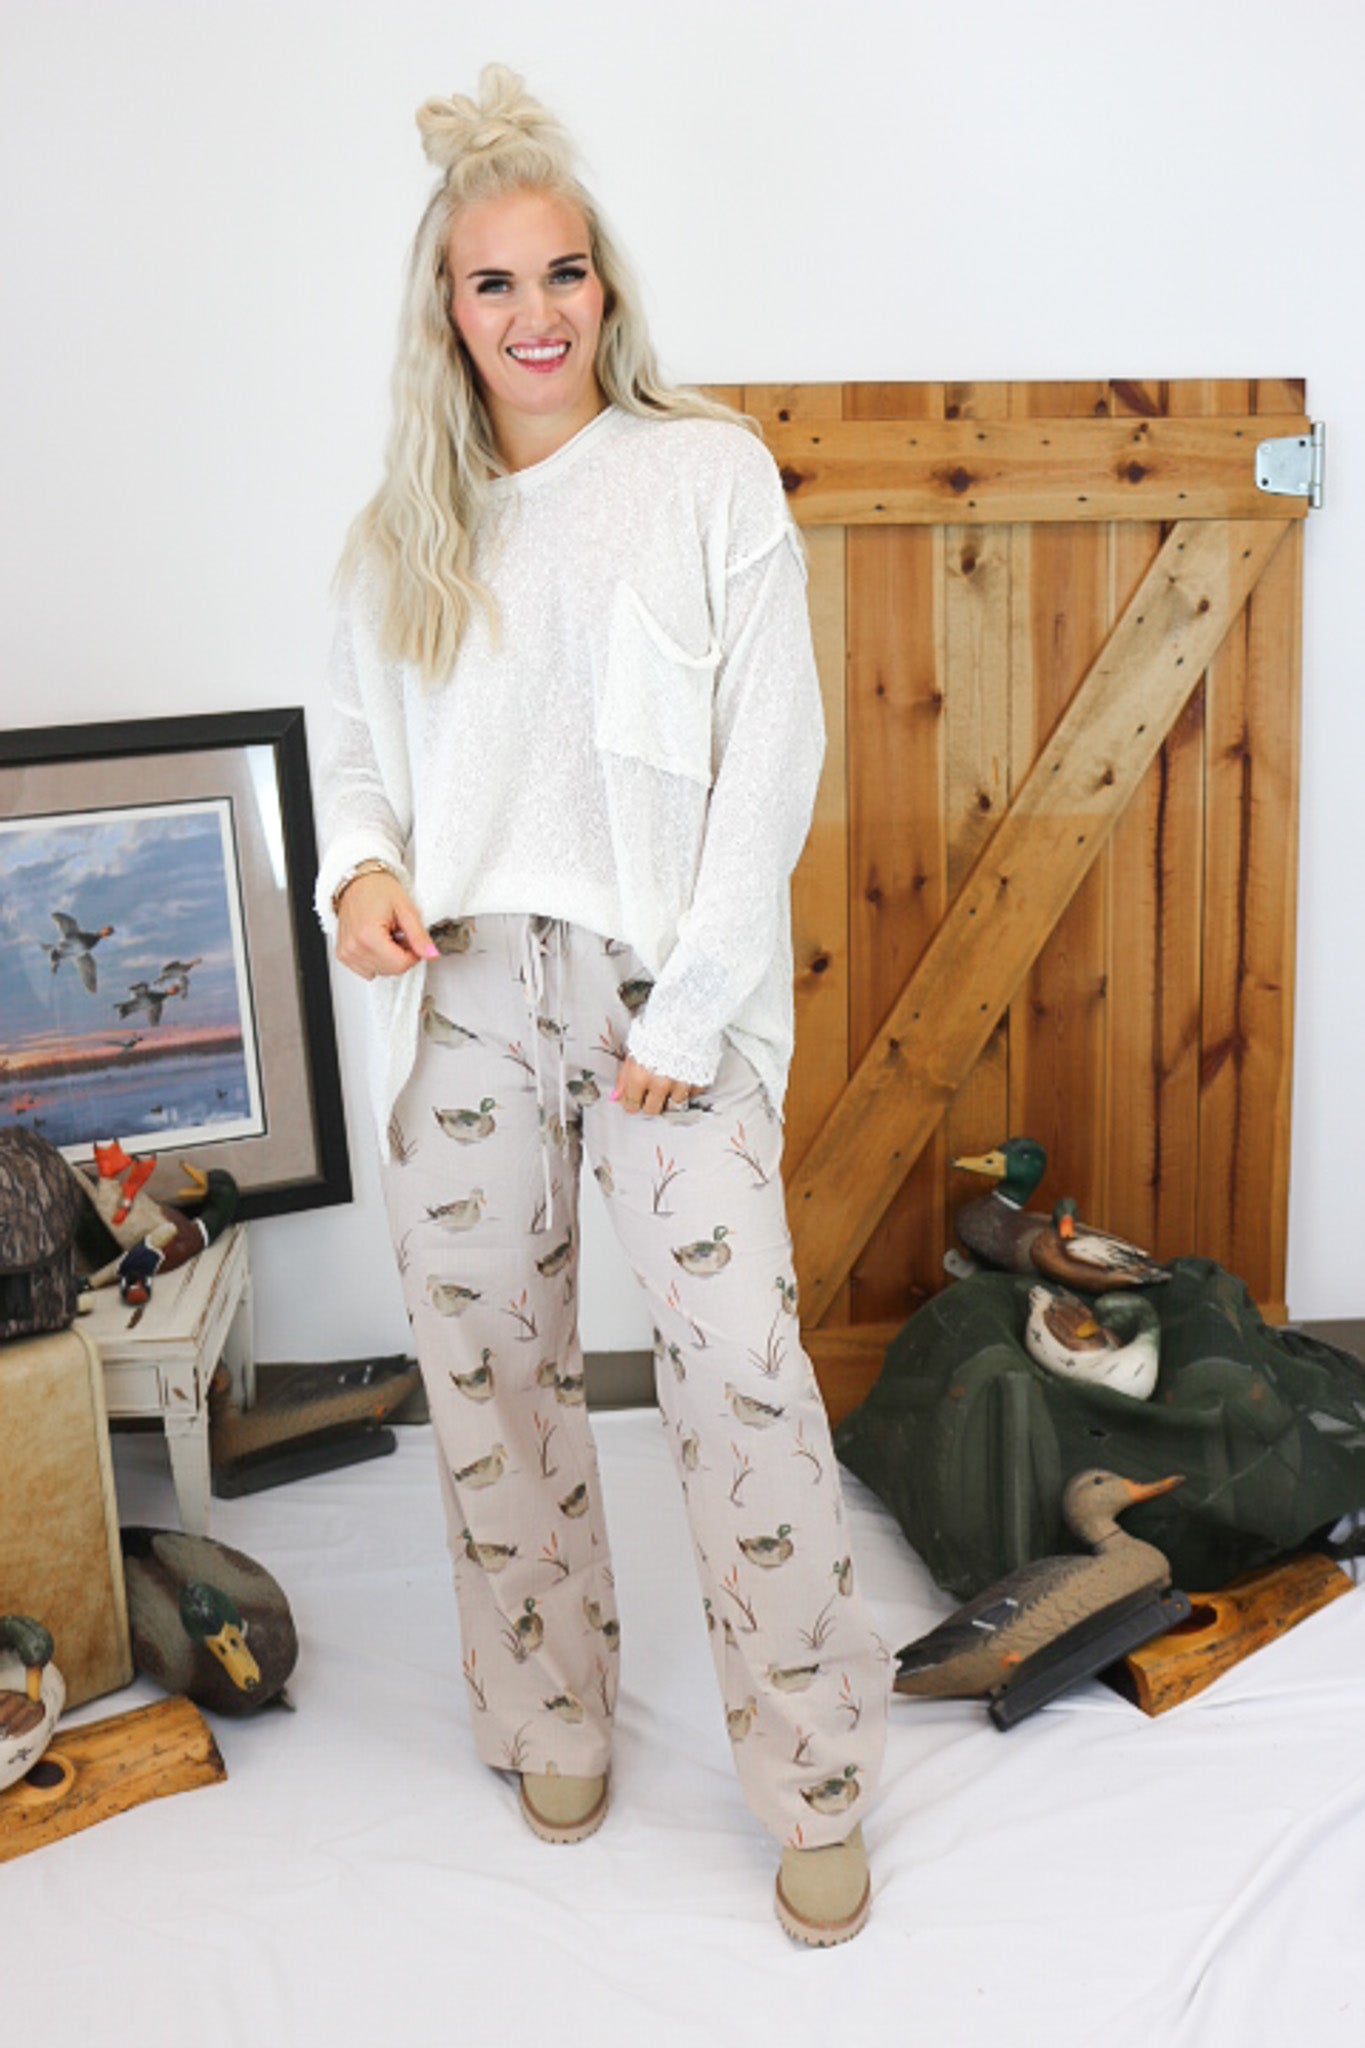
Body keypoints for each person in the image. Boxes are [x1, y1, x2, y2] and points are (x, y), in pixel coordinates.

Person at [314, 63, 888, 1945]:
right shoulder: (401, 533)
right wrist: (364, 877)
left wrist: (690, 1012)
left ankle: (812, 1773)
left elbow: (772, 756)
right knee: (491, 1376)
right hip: (469, 993)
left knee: (738, 1370)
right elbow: (358, 765)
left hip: (665, 989)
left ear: (605, 285)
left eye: (562, 272)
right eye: (494, 283)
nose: (536, 312)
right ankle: (549, 1709)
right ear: (446, 311)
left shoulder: (702, 473)